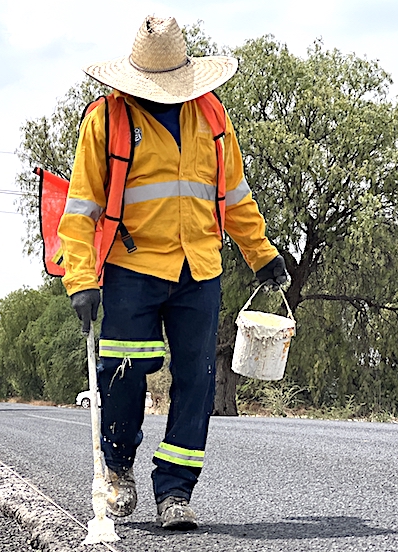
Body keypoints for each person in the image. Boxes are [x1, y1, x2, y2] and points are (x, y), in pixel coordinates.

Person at [58, 15, 288, 530]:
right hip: (131, 267)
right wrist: (80, 280)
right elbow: (79, 210)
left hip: (199, 268)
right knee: (123, 372)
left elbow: (234, 197)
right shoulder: (107, 120)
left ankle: (176, 492)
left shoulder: (212, 117)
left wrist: (262, 253)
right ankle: (117, 469)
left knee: (197, 382)